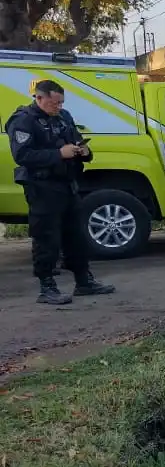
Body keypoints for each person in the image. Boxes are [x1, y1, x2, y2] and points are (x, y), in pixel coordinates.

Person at [5, 80, 115, 305]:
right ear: (39, 98)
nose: (58, 107)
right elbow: (23, 156)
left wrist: (83, 151)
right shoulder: (23, 120)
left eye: (61, 102)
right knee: (47, 238)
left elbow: (74, 141)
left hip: (67, 185)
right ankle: (47, 287)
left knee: (76, 236)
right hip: (42, 188)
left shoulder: (64, 117)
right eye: (54, 103)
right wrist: (58, 154)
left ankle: (84, 282)